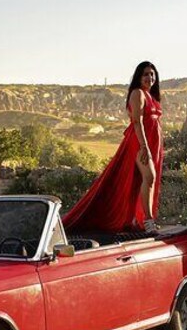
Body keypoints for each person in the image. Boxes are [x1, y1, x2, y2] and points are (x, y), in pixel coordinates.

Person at [63, 61, 164, 233]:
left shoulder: (151, 97)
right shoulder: (137, 93)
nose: (150, 77)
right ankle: (147, 221)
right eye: (146, 74)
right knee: (150, 177)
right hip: (140, 142)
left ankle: (139, 219)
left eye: (152, 74)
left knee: (142, 180)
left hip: (152, 142)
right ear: (139, 77)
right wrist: (145, 147)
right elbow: (137, 122)